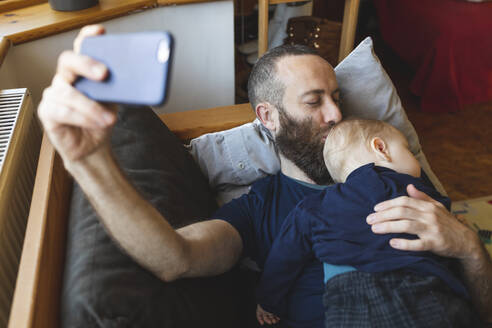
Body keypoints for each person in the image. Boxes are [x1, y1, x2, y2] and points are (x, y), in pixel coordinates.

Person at [37, 24, 492, 327]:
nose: (336, 113)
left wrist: (470, 250)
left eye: (336, 96)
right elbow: (174, 258)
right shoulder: (261, 205)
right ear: (268, 117)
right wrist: (87, 161)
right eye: (314, 102)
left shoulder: (399, 174)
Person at [255, 118, 480, 327]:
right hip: (423, 288)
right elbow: (447, 231)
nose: (416, 161)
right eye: (408, 151)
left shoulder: (316, 205)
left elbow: (284, 257)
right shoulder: (413, 188)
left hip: (349, 300)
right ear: (381, 148)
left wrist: (268, 300)